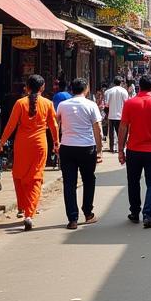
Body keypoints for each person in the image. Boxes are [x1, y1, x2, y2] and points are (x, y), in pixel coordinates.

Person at [0, 74, 60, 231]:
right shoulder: (47, 103)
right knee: (35, 177)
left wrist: (1, 143)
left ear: (27, 87)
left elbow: (10, 126)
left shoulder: (20, 103)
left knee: (19, 174)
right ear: (42, 87)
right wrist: (56, 143)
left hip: (22, 144)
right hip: (40, 145)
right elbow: (54, 126)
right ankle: (29, 213)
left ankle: (23, 207)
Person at [118, 74, 151, 228]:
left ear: (139, 86)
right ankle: (148, 215)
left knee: (133, 181)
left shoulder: (130, 103)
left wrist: (120, 150)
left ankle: (135, 212)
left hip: (133, 149)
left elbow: (123, 127)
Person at [56, 78, 103, 230]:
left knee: (69, 183)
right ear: (86, 89)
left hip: (67, 147)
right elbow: (98, 129)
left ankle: (72, 219)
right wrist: (100, 149)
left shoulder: (63, 105)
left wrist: (56, 143)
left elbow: (56, 125)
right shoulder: (91, 105)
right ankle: (88, 213)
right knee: (89, 179)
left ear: (71, 89)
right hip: (87, 147)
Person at [104, 76, 129, 153]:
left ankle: (112, 148)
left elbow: (106, 104)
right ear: (121, 83)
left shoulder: (108, 92)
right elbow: (127, 103)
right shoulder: (124, 91)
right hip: (121, 115)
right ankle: (121, 147)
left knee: (111, 133)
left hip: (111, 115)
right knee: (121, 133)